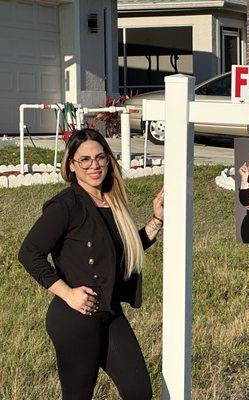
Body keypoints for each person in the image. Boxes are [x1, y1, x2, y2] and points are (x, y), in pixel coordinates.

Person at [18, 128, 164, 400]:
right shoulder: (67, 205)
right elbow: (29, 253)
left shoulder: (112, 201)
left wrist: (157, 221)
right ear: (71, 166)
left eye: (99, 157)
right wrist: (68, 293)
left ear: (109, 160)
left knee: (139, 391)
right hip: (75, 318)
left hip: (109, 311)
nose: (94, 165)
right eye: (84, 159)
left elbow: (122, 252)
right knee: (78, 396)